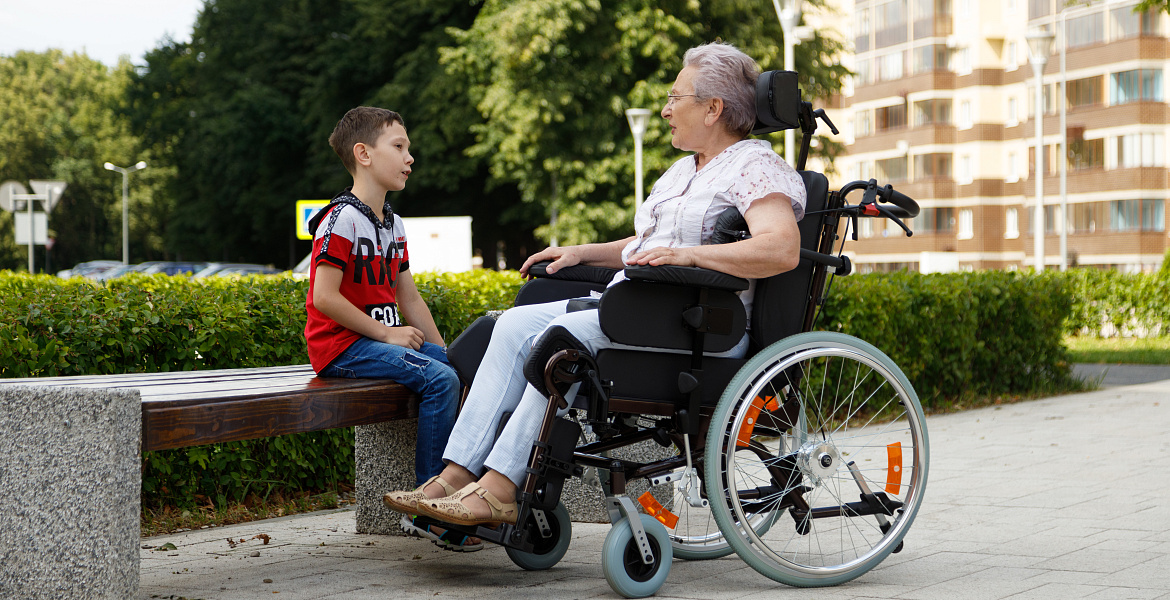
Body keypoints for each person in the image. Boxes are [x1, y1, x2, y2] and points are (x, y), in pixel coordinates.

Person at [384, 41, 807, 528]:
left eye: (676, 97)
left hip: (701, 327)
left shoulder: (756, 165)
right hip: (643, 313)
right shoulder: (682, 171)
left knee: (560, 344)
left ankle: (500, 489)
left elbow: (780, 248)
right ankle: (456, 476)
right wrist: (582, 252)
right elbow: (649, 244)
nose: (667, 109)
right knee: (514, 324)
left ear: (713, 108)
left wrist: (689, 254)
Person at [305, 107, 478, 550]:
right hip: (343, 347)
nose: (410, 157)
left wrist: (447, 353)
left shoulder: (392, 223)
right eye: (398, 147)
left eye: (408, 147)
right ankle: (429, 506)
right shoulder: (341, 219)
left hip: (378, 343)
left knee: (456, 369)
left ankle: (465, 491)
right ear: (363, 154)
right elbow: (324, 298)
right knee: (439, 380)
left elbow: (409, 299)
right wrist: (385, 334)